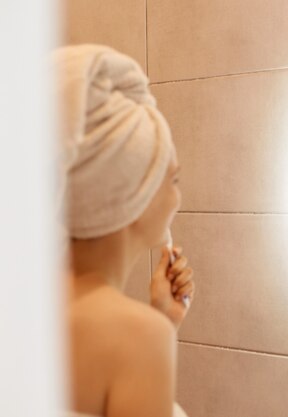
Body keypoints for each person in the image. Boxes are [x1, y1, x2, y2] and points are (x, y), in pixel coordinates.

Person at [54, 44, 195, 417]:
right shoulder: (137, 336)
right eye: (174, 179)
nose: (179, 197)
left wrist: (162, 320)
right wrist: (152, 332)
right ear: (135, 195)